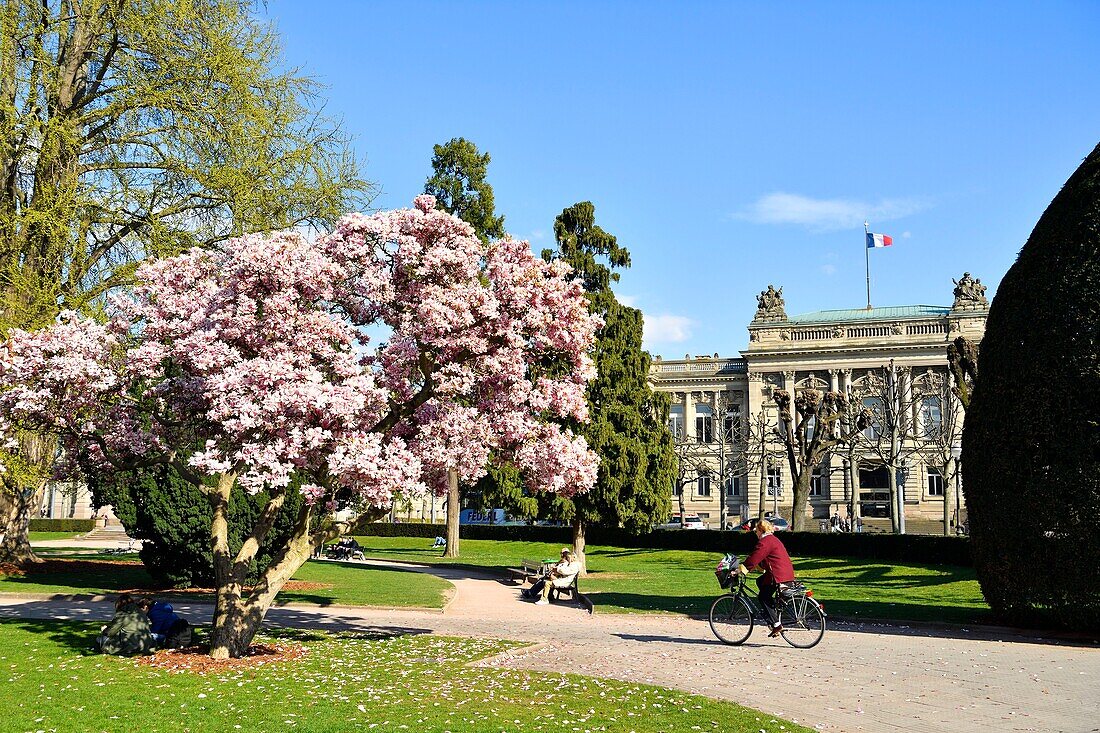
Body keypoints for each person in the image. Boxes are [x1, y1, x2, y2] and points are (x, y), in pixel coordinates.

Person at [738, 518, 795, 637]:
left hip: (777, 575)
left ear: (760, 530)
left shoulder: (765, 541)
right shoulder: (772, 539)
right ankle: (772, 611)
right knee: (760, 582)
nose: (756, 533)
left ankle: (776, 625)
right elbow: (764, 559)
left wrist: (741, 569)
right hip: (784, 572)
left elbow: (754, 557)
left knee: (763, 597)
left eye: (756, 531)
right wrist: (754, 567)